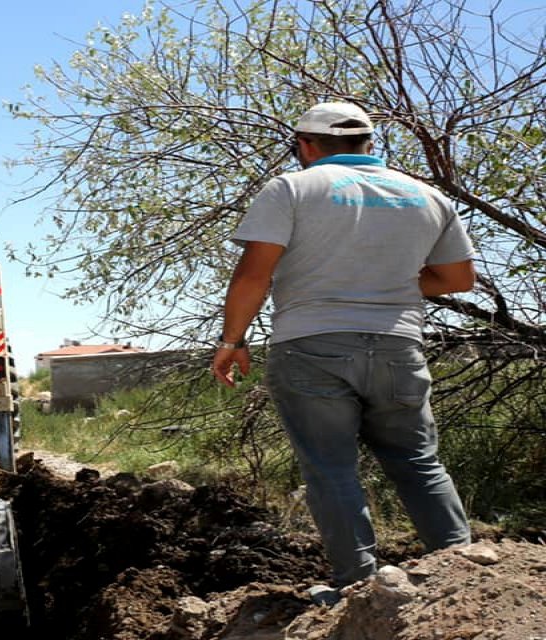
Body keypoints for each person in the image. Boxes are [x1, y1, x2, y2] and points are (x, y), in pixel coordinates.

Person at [211, 102, 476, 590]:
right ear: (369, 144)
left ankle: (357, 586)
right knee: (419, 463)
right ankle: (462, 579)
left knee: (331, 468)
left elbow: (254, 274)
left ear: (305, 146)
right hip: (399, 347)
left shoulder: (292, 188)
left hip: (312, 346)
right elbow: (458, 279)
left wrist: (233, 340)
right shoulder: (426, 195)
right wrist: (384, 282)